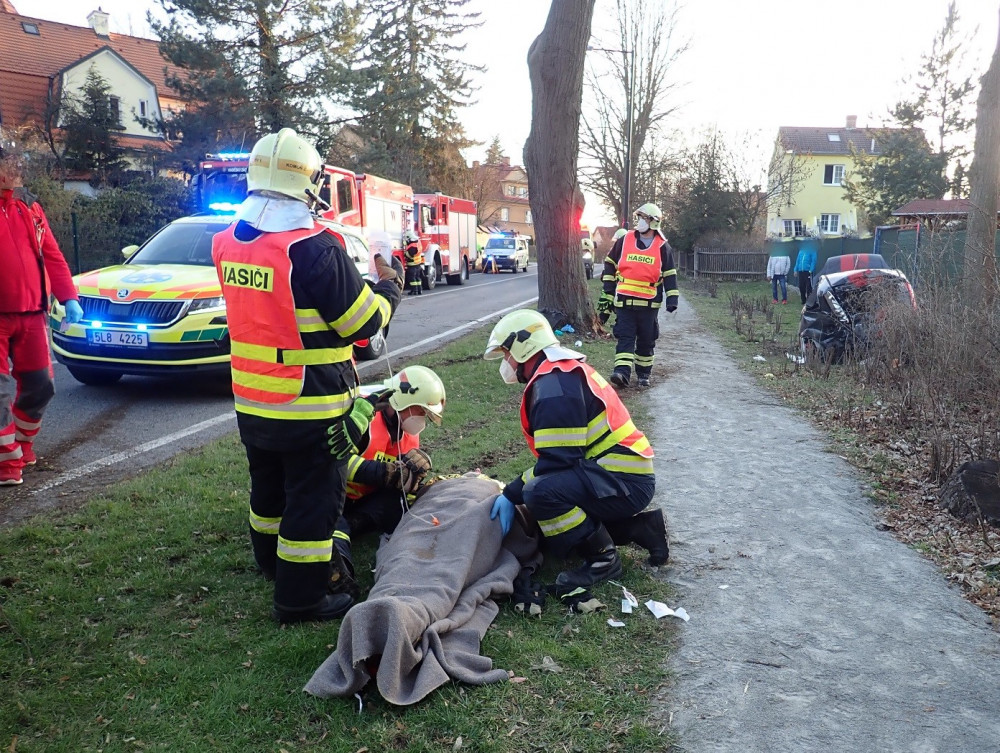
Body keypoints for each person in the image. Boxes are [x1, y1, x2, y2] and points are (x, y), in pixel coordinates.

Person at [212, 128, 403, 624]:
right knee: (312, 502)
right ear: (308, 182)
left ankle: (268, 564)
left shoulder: (227, 243)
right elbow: (362, 324)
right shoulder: (316, 248)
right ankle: (300, 597)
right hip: (310, 405)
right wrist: (388, 286)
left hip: (252, 401)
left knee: (267, 489)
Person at [483, 309, 669, 590]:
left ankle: (603, 560)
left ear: (523, 346)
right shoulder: (559, 373)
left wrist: (511, 493)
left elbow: (558, 460)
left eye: (507, 353)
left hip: (622, 479)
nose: (506, 361)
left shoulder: (554, 384)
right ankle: (641, 530)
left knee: (540, 494)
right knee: (550, 519)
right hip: (619, 475)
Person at [0, 146, 83, 486]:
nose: (16, 175)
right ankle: (7, 465)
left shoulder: (30, 209)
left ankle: (20, 444)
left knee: (41, 386)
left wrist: (70, 298)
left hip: (33, 314)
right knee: (0, 393)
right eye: (10, 169)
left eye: (15, 168)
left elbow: (53, 256)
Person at [331, 365, 444, 593]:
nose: (422, 420)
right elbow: (337, 463)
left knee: (400, 503)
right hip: (333, 493)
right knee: (333, 525)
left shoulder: (407, 430)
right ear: (402, 401)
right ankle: (338, 577)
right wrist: (384, 473)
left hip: (363, 498)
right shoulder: (362, 414)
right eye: (421, 411)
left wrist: (411, 478)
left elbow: (399, 478)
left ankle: (355, 524)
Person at [597, 204, 678, 389]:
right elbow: (610, 263)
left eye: (644, 218)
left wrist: (672, 299)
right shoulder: (625, 240)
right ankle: (622, 373)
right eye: (639, 217)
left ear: (653, 222)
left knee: (646, 340)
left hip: (648, 305)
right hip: (624, 302)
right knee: (625, 337)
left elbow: (670, 274)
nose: (640, 221)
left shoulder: (663, 247)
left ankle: (643, 374)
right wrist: (609, 289)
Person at [403, 231, 424, 296]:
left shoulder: (412, 247)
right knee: (417, 278)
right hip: (418, 264)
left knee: (412, 279)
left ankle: (414, 291)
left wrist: (405, 253)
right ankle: (419, 290)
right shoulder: (417, 242)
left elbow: (409, 255)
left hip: (413, 265)